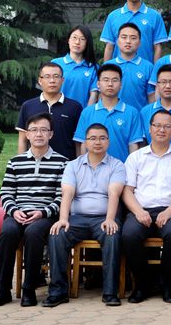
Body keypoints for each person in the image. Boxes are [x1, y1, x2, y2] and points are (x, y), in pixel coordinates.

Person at [0, 114, 68, 308]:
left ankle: (29, 289)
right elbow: (6, 193)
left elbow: (62, 197)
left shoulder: (63, 163)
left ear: (51, 134)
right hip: (18, 212)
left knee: (33, 233)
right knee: (7, 233)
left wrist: (43, 212)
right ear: (27, 134)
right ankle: (3, 290)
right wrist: (14, 211)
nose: (38, 134)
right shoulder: (15, 162)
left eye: (43, 130)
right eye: (34, 130)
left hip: (45, 215)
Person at [43, 123, 126, 307]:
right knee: (57, 234)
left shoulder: (117, 165)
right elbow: (67, 193)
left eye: (102, 138)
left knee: (112, 234)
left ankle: (110, 292)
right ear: (85, 142)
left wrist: (110, 219)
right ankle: (58, 292)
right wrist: (63, 219)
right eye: (92, 138)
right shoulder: (73, 165)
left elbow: (114, 194)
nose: (98, 142)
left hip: (103, 218)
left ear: (108, 142)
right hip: (77, 219)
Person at [121, 110, 171, 303]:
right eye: (157, 125)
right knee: (129, 234)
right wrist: (138, 211)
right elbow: (127, 190)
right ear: (149, 129)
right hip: (141, 209)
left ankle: (168, 285)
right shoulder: (136, 157)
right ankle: (143, 284)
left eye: (167, 126)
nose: (161, 130)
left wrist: (169, 211)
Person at [73, 63, 144, 162]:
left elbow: (133, 145)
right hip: (92, 169)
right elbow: (82, 143)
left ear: (120, 84)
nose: (110, 84)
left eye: (114, 80)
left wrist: (132, 168)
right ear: (98, 84)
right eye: (106, 80)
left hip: (122, 168)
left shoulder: (132, 112)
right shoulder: (87, 112)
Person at [16, 62, 82, 160]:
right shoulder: (28, 106)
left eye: (56, 76)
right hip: (35, 163)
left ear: (62, 80)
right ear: (40, 80)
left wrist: (78, 165)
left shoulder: (75, 107)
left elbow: (78, 142)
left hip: (67, 164)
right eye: (47, 77)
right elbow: (23, 140)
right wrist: (21, 163)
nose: (52, 80)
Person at [101, 0, 167, 63]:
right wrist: (106, 70)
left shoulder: (155, 16)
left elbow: (157, 47)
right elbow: (109, 46)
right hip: (117, 70)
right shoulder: (113, 16)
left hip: (145, 70)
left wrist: (156, 70)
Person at [107, 22, 155, 110]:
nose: (128, 41)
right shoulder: (108, 66)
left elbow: (151, 96)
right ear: (117, 41)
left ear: (139, 42)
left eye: (133, 38)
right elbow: (101, 95)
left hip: (139, 115)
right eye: (124, 37)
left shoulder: (148, 67)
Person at [52, 25, 98, 108]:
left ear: (87, 43)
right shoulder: (56, 63)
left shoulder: (93, 68)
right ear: (68, 40)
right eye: (74, 37)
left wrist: (86, 114)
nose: (77, 42)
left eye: (82, 39)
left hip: (81, 113)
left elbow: (94, 95)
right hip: (57, 111)